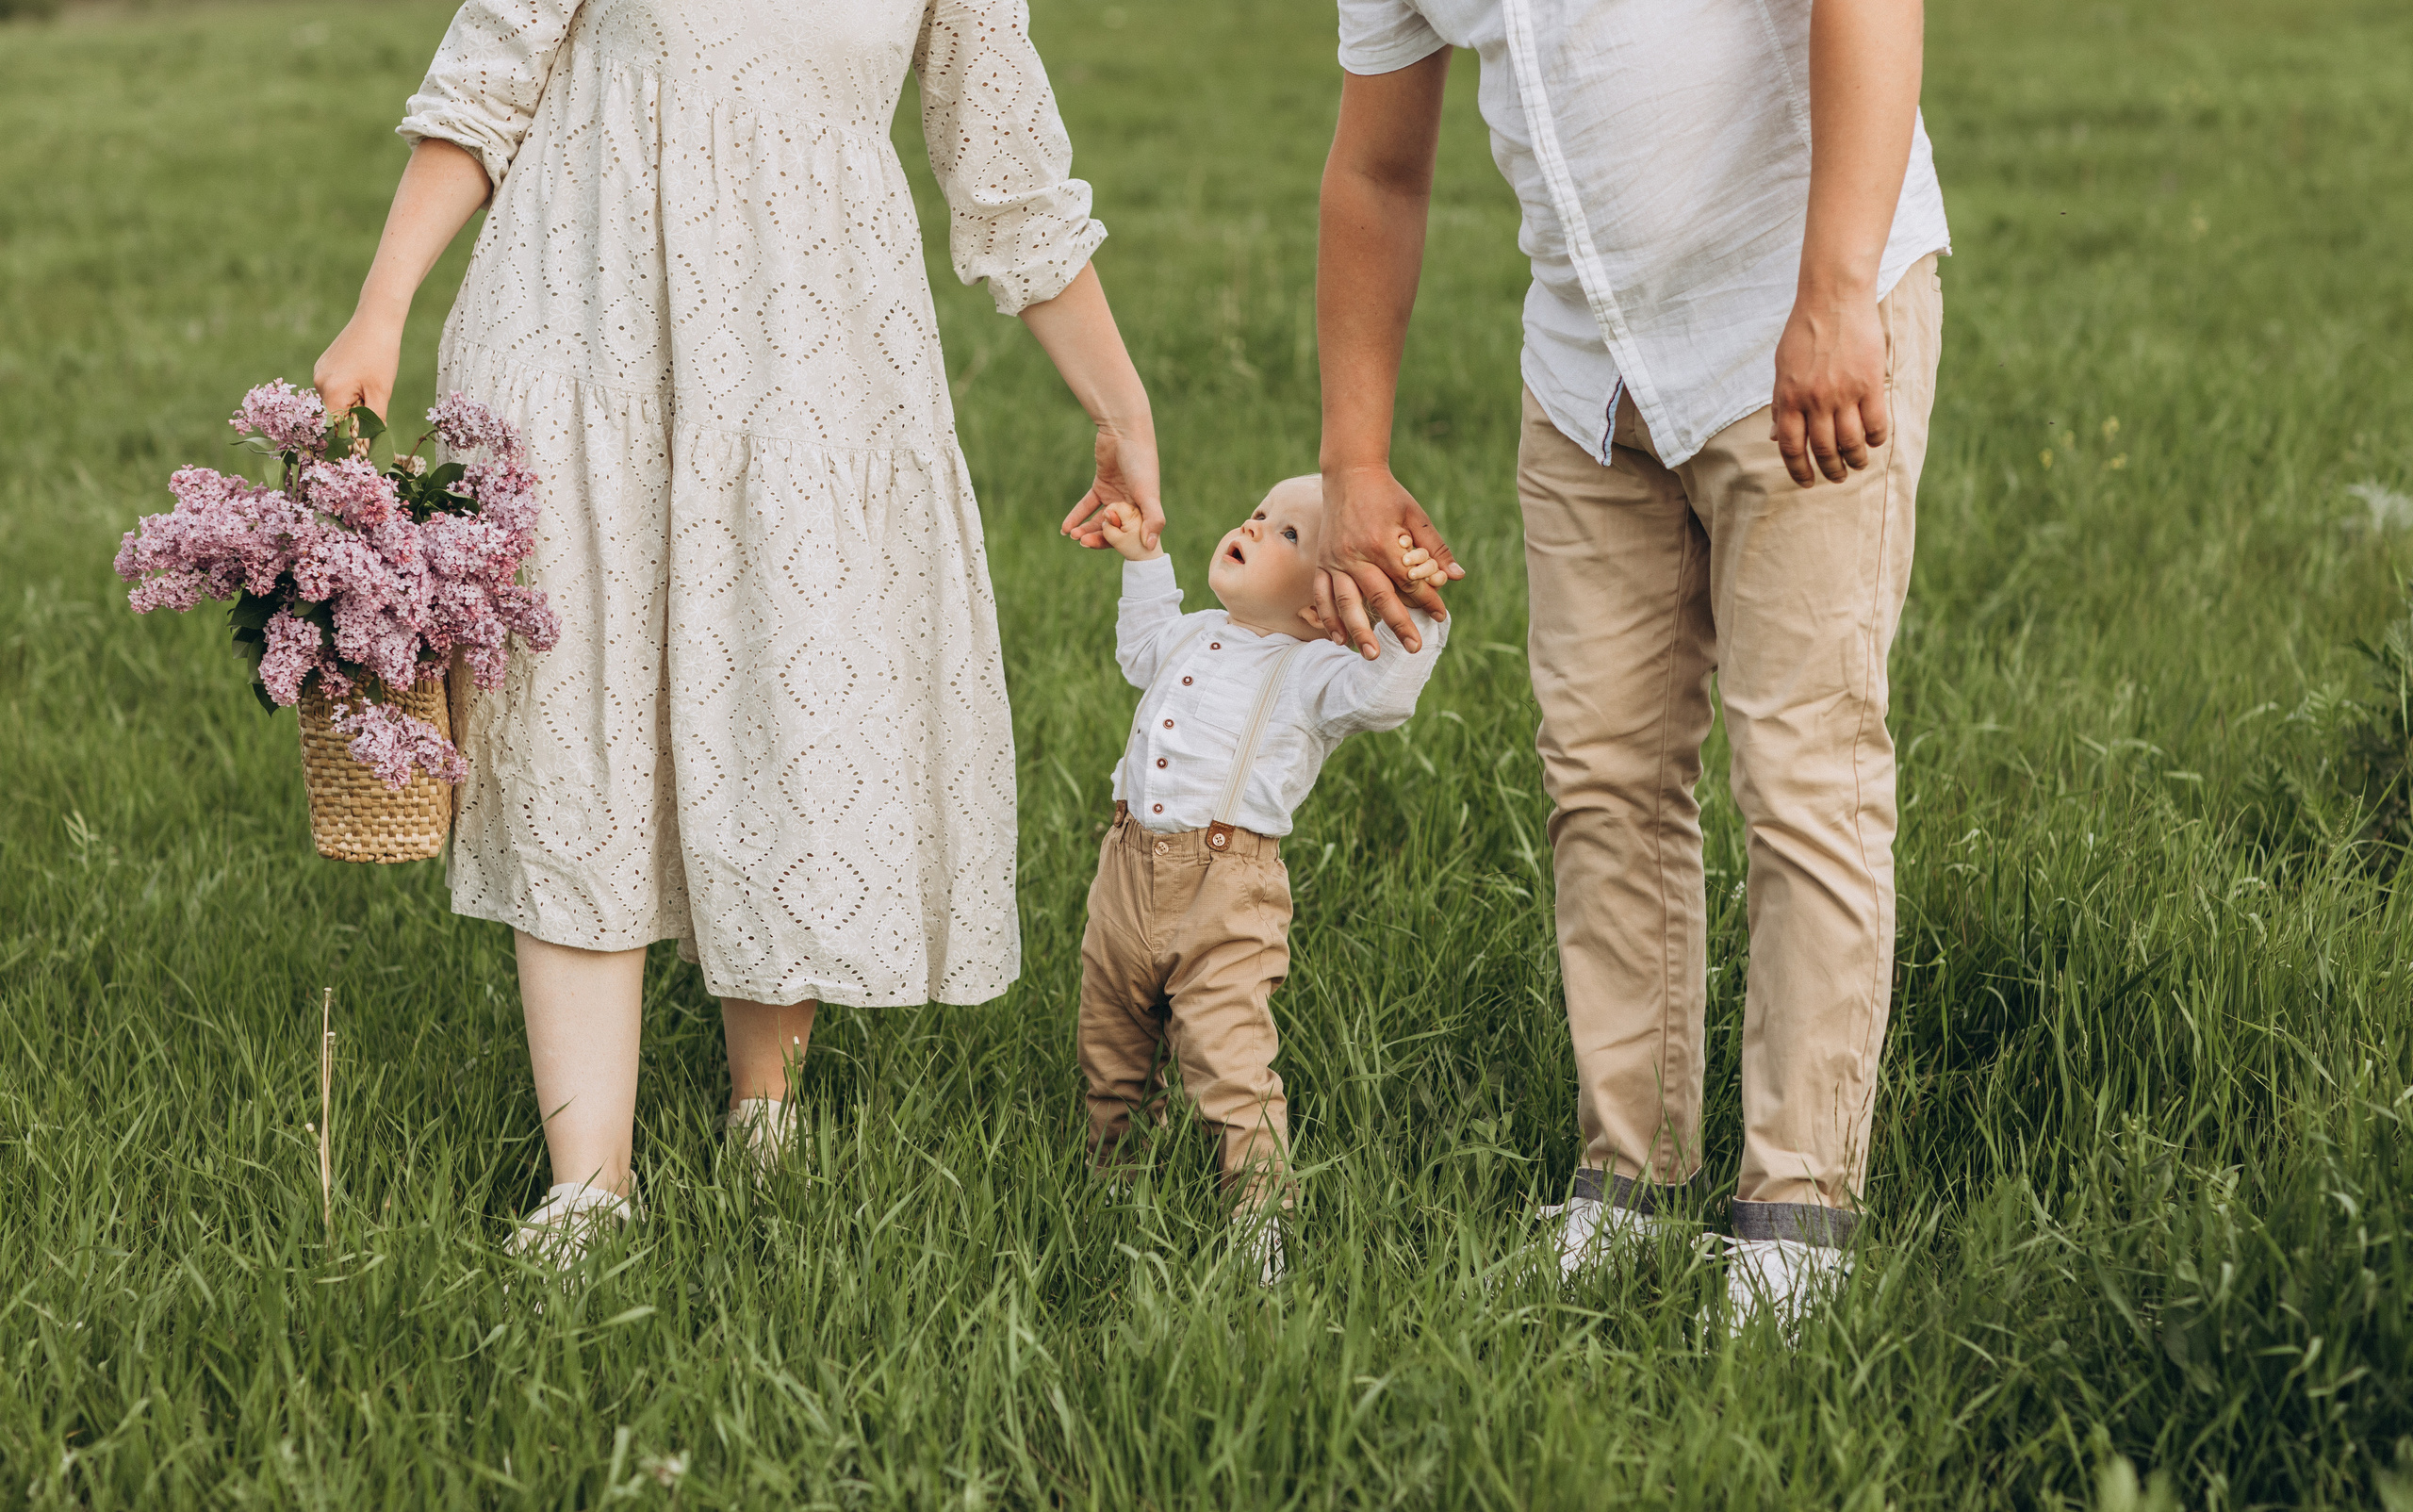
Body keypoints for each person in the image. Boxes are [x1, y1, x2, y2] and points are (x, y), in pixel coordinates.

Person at [311, 0, 1160, 1266]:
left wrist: (1124, 409)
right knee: (575, 728)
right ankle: (587, 1183)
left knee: (783, 705)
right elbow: (485, 85)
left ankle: (766, 1116)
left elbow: (1013, 181)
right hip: (578, 341)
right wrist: (380, 310)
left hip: (808, 373)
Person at [1313, 0, 1949, 1327]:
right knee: (1600, 773)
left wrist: (1836, 293)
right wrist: (1355, 463)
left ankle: (1797, 1217)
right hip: (1591, 371)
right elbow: (1378, 166)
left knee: (1805, 769)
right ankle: (1632, 1179)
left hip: (1798, 313)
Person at [1076, 479, 1448, 1283]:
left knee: (1228, 1059)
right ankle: (1113, 1186)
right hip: (1125, 873)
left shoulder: (1312, 673)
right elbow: (1138, 646)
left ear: (1325, 608)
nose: (1252, 524)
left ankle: (1259, 1223)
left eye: (1285, 533)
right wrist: (1142, 558)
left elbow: (1384, 698)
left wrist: (1415, 610)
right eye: (1257, 511)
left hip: (1227, 891)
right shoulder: (1192, 634)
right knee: (1110, 1044)